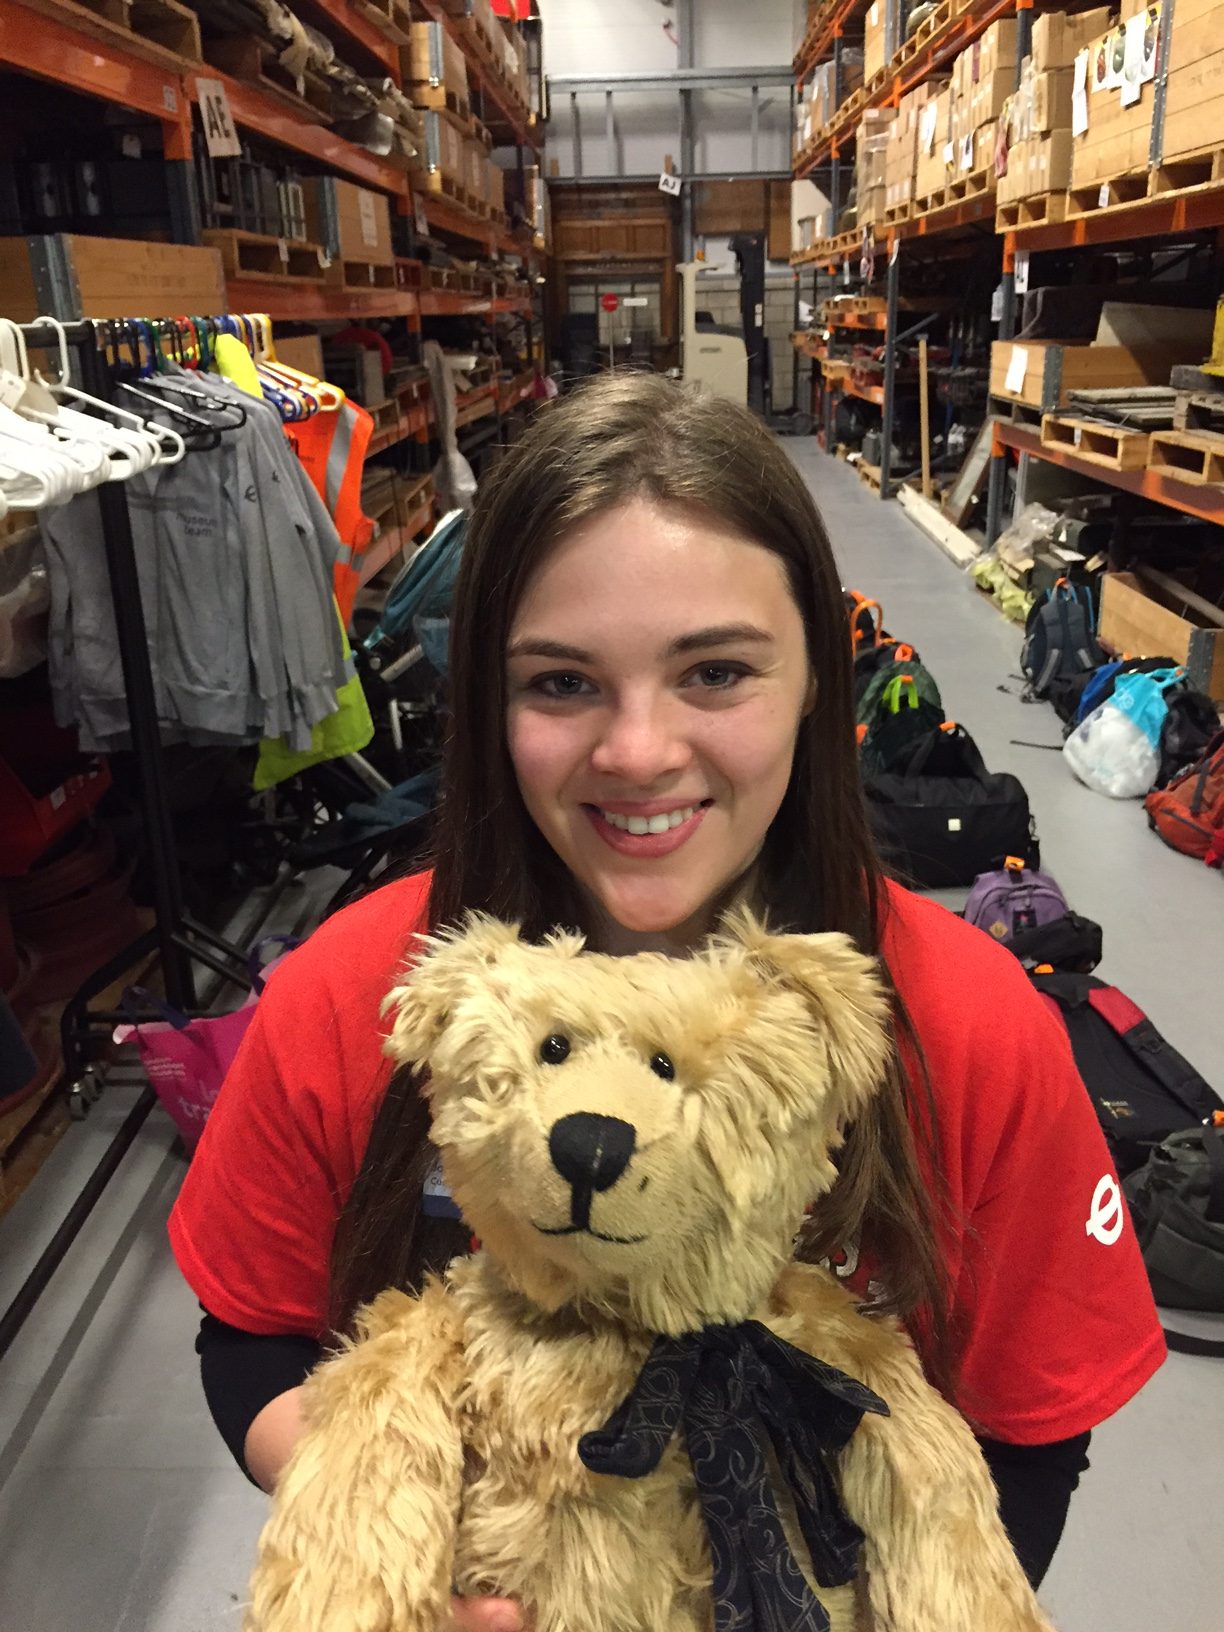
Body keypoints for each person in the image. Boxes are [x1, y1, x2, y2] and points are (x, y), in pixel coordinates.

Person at [170, 373, 1165, 1617]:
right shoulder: (359, 992)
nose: (638, 751)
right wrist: (403, 1551)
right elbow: (249, 1336)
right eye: (563, 683)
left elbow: (1027, 1440)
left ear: (817, 678)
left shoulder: (964, 1024)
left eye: (715, 673)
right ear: (491, 699)